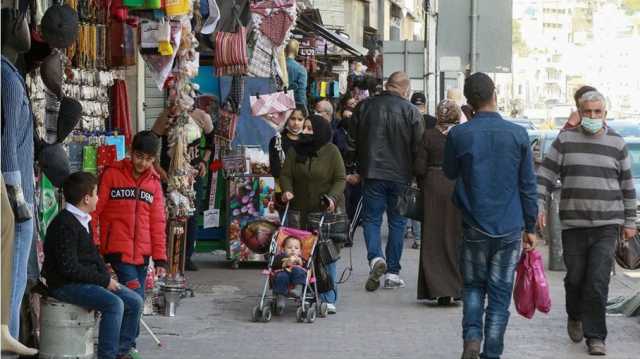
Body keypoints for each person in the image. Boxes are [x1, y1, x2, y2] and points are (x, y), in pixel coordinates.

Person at [443, 72, 537, 359]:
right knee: (498, 297)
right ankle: (491, 353)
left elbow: (449, 172)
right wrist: (530, 226)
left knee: (472, 286)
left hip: (474, 224)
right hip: (509, 227)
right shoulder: (519, 134)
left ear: (468, 103)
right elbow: (528, 186)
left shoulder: (459, 134)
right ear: (495, 94)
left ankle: (472, 339)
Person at [537, 90, 637, 356]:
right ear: (579, 113)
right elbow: (545, 176)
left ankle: (596, 336)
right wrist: (537, 206)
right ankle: (575, 316)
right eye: (588, 112)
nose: (593, 116)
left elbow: (628, 186)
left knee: (598, 280)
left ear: (605, 113)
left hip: (607, 223)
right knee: (576, 279)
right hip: (573, 224)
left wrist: (630, 221)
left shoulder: (617, 143)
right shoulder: (565, 140)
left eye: (598, 112)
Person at [42, 172, 143, 359]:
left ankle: (122, 351)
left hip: (84, 279)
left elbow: (93, 258)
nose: (99, 198)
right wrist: (103, 281)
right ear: (86, 198)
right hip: (64, 285)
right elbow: (69, 268)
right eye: (96, 193)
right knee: (114, 305)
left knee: (134, 301)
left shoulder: (83, 220)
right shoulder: (64, 224)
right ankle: (107, 355)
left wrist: (106, 277)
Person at [347, 71, 424, 291]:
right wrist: (417, 177)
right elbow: (418, 148)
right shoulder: (411, 111)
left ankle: (375, 258)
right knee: (397, 222)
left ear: (387, 85)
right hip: (401, 175)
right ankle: (392, 272)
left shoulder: (365, 107)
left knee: (371, 219)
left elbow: (352, 141)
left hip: (372, 173)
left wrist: (353, 168)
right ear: (405, 89)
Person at [92, 131, 167, 353]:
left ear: (154, 159)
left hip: (142, 256)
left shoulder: (154, 183)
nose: (142, 163)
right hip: (117, 250)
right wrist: (95, 243)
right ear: (130, 153)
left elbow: (158, 222)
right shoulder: (111, 174)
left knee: (136, 302)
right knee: (134, 299)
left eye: (148, 158)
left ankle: (126, 345)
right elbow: (95, 212)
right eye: (138, 156)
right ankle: (123, 349)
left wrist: (160, 258)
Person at [280, 115, 346, 314]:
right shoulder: (295, 150)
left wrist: (332, 198)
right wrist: (287, 189)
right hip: (300, 210)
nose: (305, 131)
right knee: (301, 251)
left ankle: (328, 296)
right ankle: (305, 290)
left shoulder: (332, 152)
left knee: (326, 254)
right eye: (305, 128)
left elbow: (340, 178)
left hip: (325, 211)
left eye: (310, 128)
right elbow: (286, 174)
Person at [1, 5, 36, 341]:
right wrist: (17, 194)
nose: (28, 27)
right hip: (13, 197)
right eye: (25, 21)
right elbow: (6, 137)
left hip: (13, 194)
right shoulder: (8, 78)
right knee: (11, 286)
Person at [415, 99, 463, 305]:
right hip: (457, 187)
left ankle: (436, 288)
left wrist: (423, 181)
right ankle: (456, 287)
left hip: (433, 187)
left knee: (432, 237)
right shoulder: (462, 135)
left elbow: (418, 167)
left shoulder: (428, 135)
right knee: (455, 236)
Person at [268, 108, 306, 180]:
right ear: (286, 119)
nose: (296, 123)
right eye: (292, 118)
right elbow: (275, 170)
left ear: (305, 121)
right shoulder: (276, 141)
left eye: (300, 119)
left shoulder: (308, 141)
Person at [272, 236, 307, 314]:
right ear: (283, 249)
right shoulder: (280, 257)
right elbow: (274, 265)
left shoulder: (301, 258)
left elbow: (307, 268)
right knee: (281, 276)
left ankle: (298, 289)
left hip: (296, 277)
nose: (293, 249)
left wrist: (300, 262)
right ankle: (280, 297)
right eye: (289, 247)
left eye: (296, 248)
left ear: (300, 251)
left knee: (299, 270)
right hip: (284, 274)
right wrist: (285, 262)